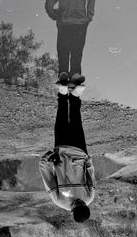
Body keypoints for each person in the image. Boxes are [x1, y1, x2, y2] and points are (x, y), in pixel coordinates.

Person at [39, 84, 95, 222]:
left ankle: (63, 94)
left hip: (62, 152)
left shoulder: (59, 200)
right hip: (80, 152)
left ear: (73, 210)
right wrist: (88, 160)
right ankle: (75, 96)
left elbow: (47, 176)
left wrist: (46, 159)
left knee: (61, 121)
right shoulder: (89, 197)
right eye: (83, 203)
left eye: (78, 204)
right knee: (76, 122)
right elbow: (90, 174)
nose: (81, 201)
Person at [45, 0, 96, 84]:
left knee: (77, 49)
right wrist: (50, 8)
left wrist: (88, 17)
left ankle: (75, 74)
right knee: (63, 47)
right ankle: (63, 72)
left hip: (80, 22)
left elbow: (91, 1)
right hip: (64, 20)